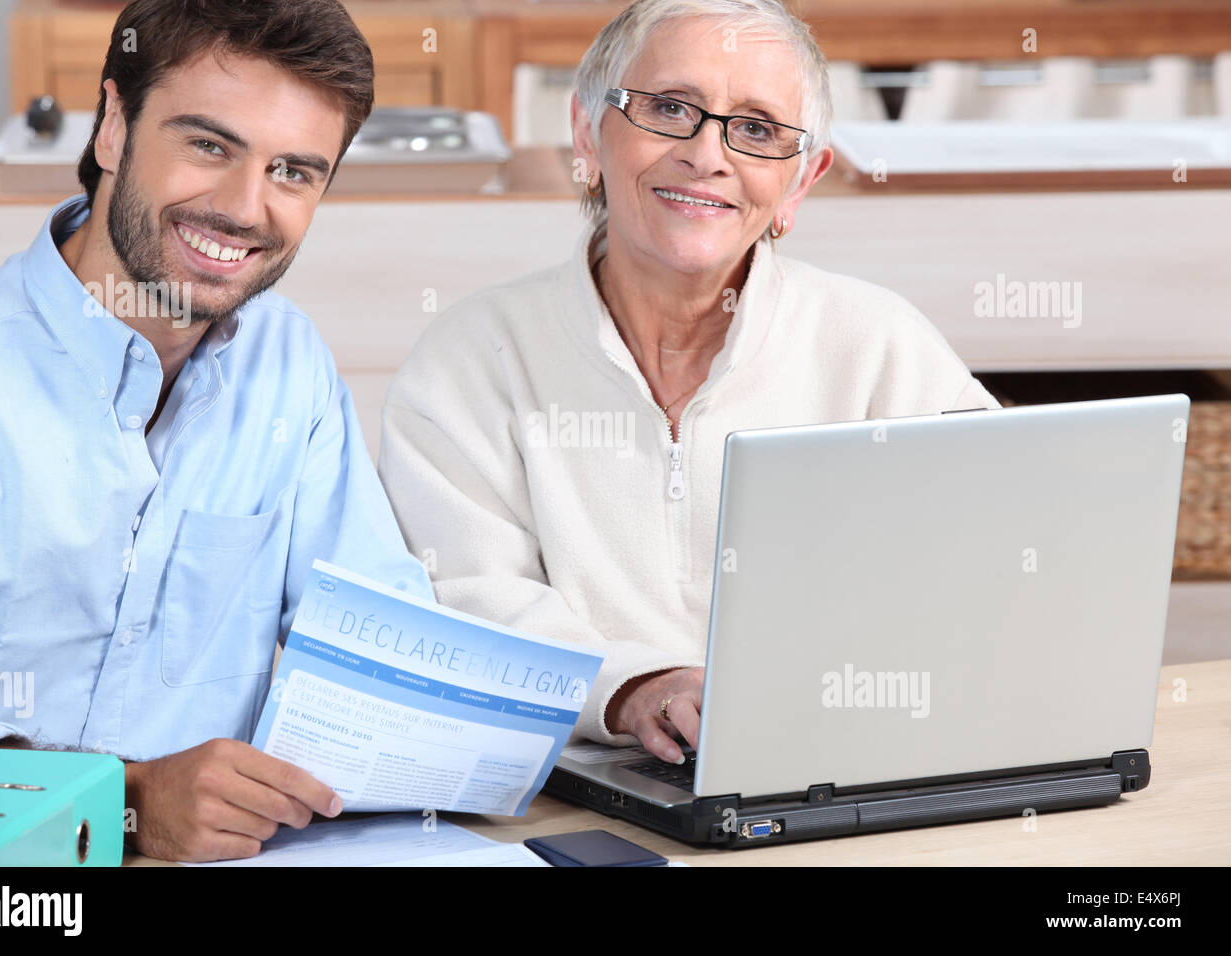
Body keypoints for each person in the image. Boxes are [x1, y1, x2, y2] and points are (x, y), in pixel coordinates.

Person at [378, 0, 1000, 766]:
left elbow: (987, 560)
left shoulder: (878, 344)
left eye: (759, 129)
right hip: (569, 782)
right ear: (586, 135)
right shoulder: (470, 355)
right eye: (670, 108)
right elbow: (465, 595)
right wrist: (637, 686)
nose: (708, 155)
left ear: (802, 180)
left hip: (838, 762)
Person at [0, 0, 431, 862]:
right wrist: (118, 805)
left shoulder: (290, 364)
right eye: (209, 145)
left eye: (294, 172)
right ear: (115, 128)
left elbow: (381, 652)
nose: (244, 208)